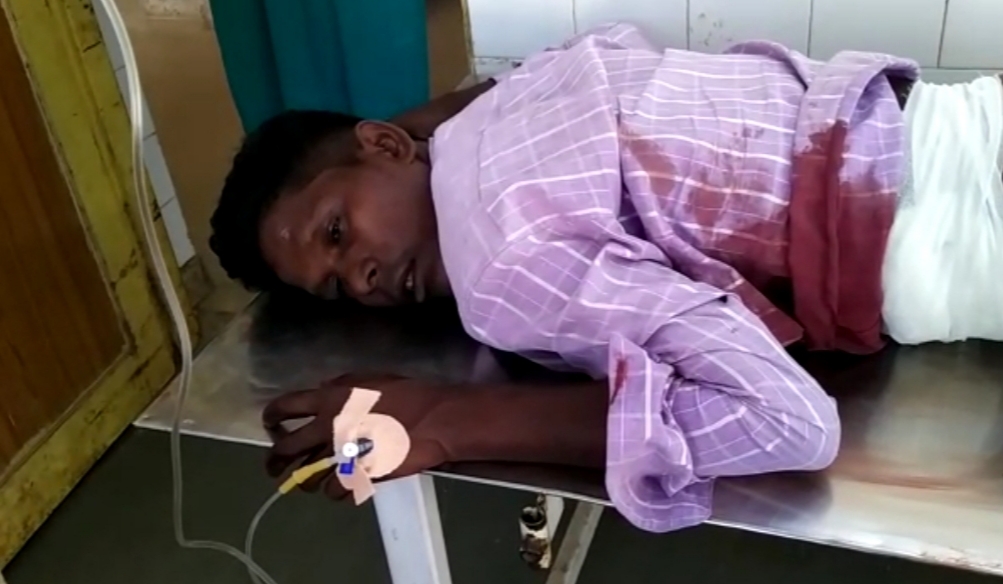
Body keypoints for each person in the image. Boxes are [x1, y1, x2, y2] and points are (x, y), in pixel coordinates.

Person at [209, 23, 1003, 532]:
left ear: (384, 145)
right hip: (954, 116)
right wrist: (420, 135)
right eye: (336, 286)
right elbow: (608, 43)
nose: (363, 277)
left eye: (338, 232)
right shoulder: (530, 87)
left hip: (953, 245)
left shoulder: (497, 269)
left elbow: (786, 421)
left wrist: (443, 421)